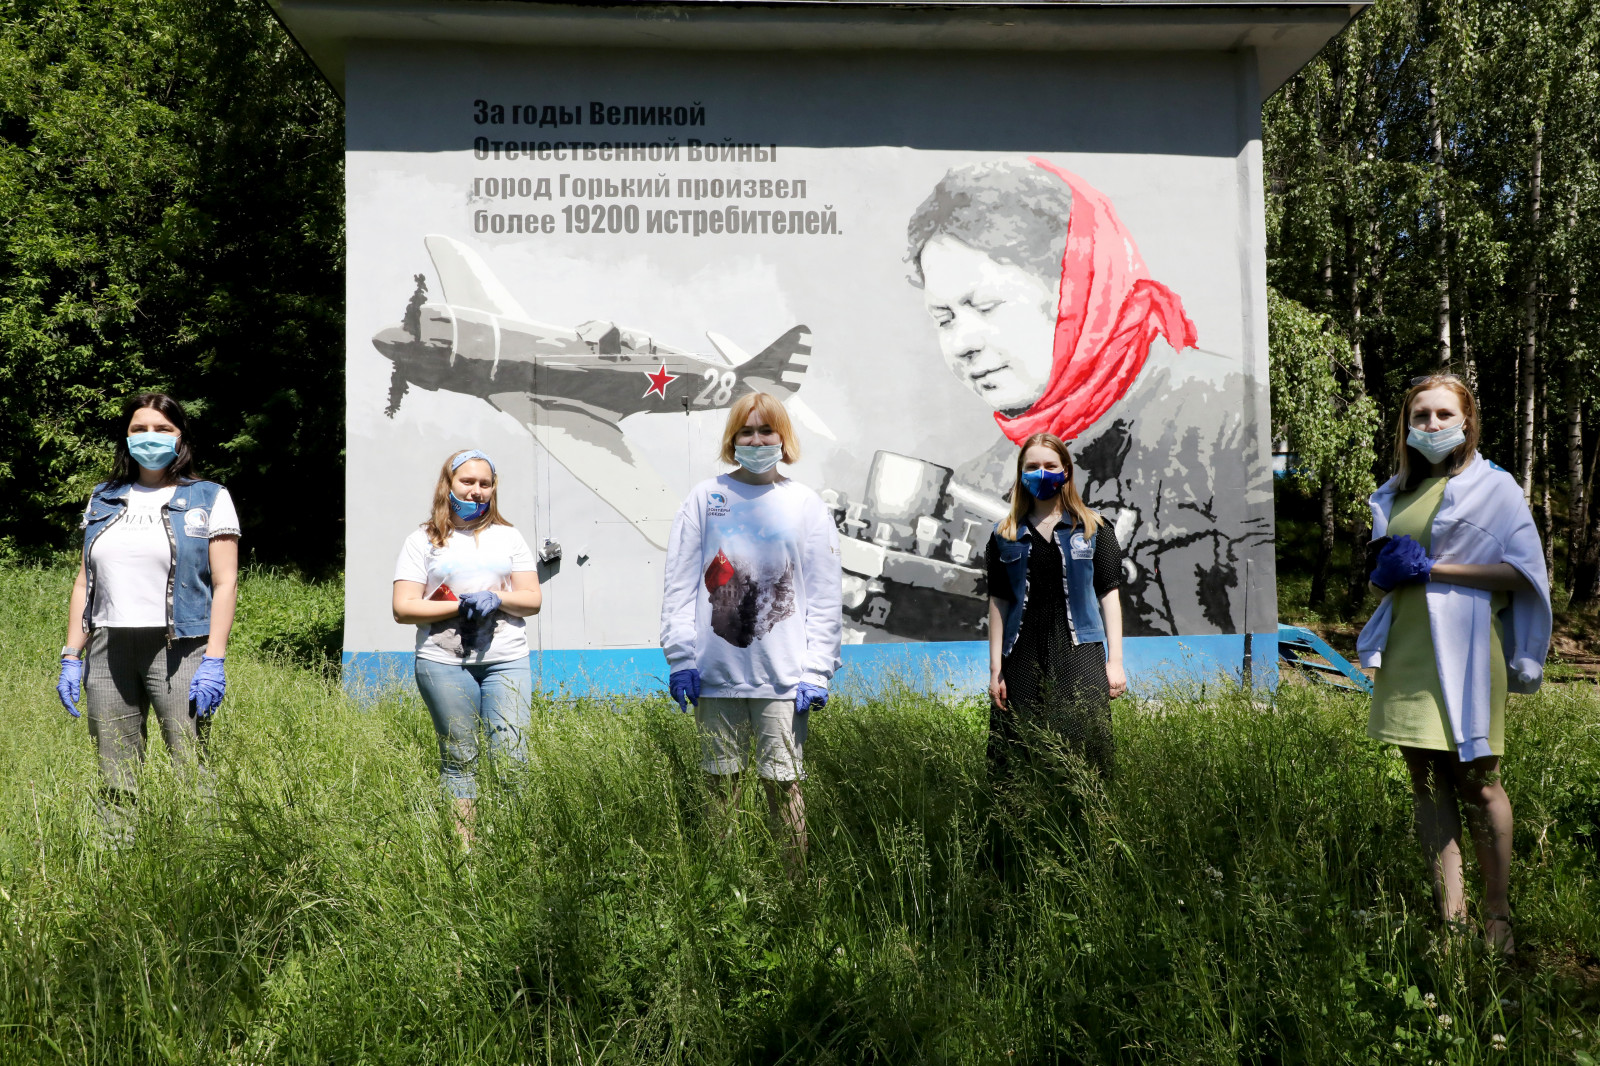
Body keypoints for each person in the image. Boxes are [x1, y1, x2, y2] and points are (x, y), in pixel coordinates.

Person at [908, 159, 1272, 637]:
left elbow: (1256, 634)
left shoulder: (1222, 411)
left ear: (1074, 284)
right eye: (944, 318)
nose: (961, 342)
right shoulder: (979, 488)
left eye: (984, 305)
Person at [1356, 375, 1551, 955]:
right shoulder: (1394, 492)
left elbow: (1524, 573)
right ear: (1407, 427)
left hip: (1467, 647)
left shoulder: (1497, 488)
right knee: (1426, 782)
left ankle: (1497, 915)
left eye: (1444, 414)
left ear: (1467, 421)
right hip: (1410, 648)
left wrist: (1435, 570)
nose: (1433, 425)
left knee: (1480, 780)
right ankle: (1452, 914)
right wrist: (1385, 570)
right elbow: (1387, 568)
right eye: (1421, 416)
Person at [660, 392, 843, 869]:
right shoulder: (706, 498)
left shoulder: (804, 503)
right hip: (716, 675)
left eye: (767, 431)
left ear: (783, 439)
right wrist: (681, 659)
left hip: (784, 679)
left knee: (785, 792)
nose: (757, 440)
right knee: (720, 793)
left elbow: (823, 595)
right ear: (733, 439)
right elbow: (678, 583)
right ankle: (723, 897)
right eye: (747, 431)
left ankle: (796, 895)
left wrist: (817, 671)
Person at [55, 393, 240, 837]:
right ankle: (118, 857)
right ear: (127, 436)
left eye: (163, 429)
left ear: (181, 438)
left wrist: (214, 659)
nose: (150, 437)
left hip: (180, 647)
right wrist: (71, 654)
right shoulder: (104, 497)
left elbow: (225, 582)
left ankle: (201, 860)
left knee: (191, 762)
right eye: (140, 429)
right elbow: (85, 582)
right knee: (115, 767)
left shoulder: (208, 497)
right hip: (109, 648)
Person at [392, 449, 542, 840]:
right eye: (467, 482)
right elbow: (403, 608)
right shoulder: (421, 540)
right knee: (460, 759)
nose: (476, 491)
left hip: (506, 659)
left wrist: (499, 599)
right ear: (449, 484)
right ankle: (467, 856)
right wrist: (459, 606)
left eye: (485, 484)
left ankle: (513, 849)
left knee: (511, 760)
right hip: (443, 663)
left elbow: (532, 599)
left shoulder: (509, 537)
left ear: (493, 489)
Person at [985, 433, 1126, 779]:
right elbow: (999, 602)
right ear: (1021, 474)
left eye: (1050, 465)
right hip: (1021, 654)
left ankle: (1086, 826)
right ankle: (1015, 829)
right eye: (1032, 467)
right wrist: (995, 669)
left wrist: (1116, 661)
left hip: (1080, 652)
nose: (1042, 473)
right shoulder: (1004, 534)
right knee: (1015, 754)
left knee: (1086, 752)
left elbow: (1110, 596)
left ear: (1066, 471)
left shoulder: (1095, 528)